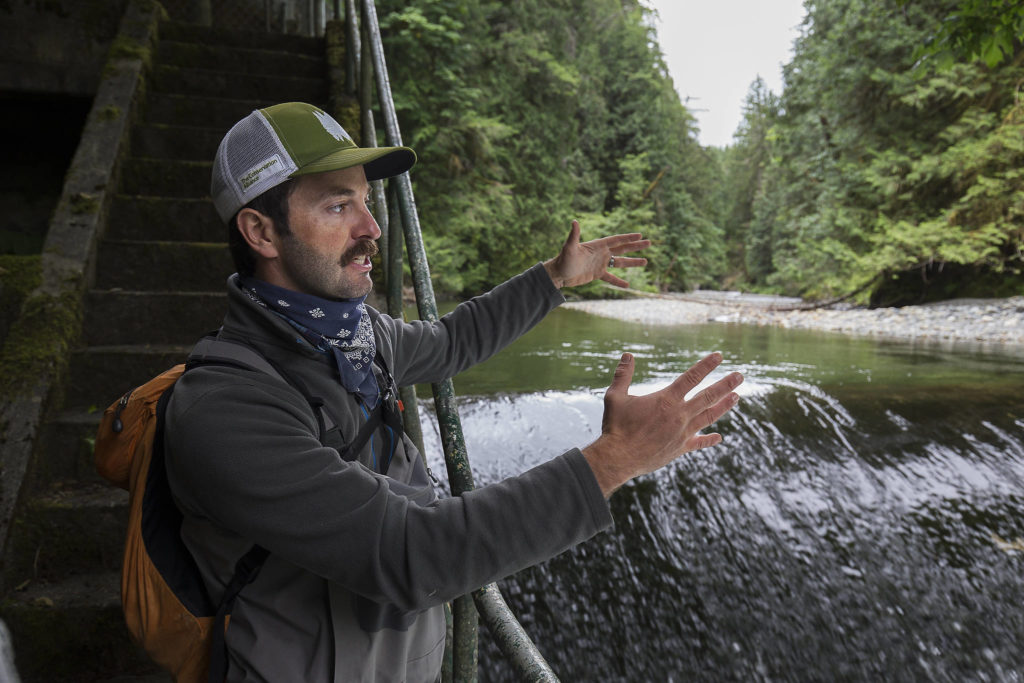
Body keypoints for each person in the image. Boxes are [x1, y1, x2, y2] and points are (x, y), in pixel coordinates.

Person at [164, 101, 743, 682]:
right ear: (261, 231)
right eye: (338, 205)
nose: (371, 228)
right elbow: (410, 554)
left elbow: (449, 342)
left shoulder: (362, 337)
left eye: (367, 201)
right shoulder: (224, 409)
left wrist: (553, 278)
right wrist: (614, 459)